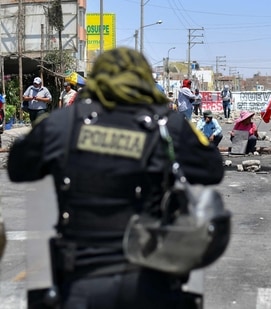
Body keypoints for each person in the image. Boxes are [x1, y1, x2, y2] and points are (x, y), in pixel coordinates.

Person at [8, 47, 225, 309]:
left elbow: (18, 167)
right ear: (144, 79)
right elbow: (212, 169)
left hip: (80, 278)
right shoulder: (166, 124)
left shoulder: (64, 123)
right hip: (151, 276)